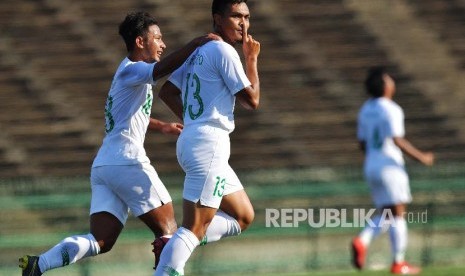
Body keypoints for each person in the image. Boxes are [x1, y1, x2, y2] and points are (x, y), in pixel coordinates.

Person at [18, 11, 219, 276]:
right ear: (139, 42)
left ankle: (37, 265)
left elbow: (128, 116)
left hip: (105, 165)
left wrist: (163, 126)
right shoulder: (135, 70)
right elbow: (160, 70)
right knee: (169, 232)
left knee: (101, 240)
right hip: (127, 160)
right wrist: (196, 43)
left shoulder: (127, 74)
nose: (163, 43)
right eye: (157, 38)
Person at [154, 0, 260, 275]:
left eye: (246, 17)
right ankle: (172, 252)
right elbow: (252, 99)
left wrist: (192, 120)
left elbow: (167, 92)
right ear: (217, 18)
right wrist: (251, 58)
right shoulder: (224, 51)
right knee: (194, 228)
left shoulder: (199, 51)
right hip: (209, 143)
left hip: (197, 139)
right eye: (236, 16)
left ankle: (175, 241)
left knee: (242, 215)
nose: (243, 23)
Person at [351, 67, 434, 275]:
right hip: (389, 165)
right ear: (385, 85)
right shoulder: (392, 109)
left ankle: (363, 241)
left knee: (386, 214)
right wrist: (422, 157)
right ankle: (398, 262)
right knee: (398, 215)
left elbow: (362, 143)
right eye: (390, 80)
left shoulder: (365, 109)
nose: (393, 83)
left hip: (371, 164)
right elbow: (397, 140)